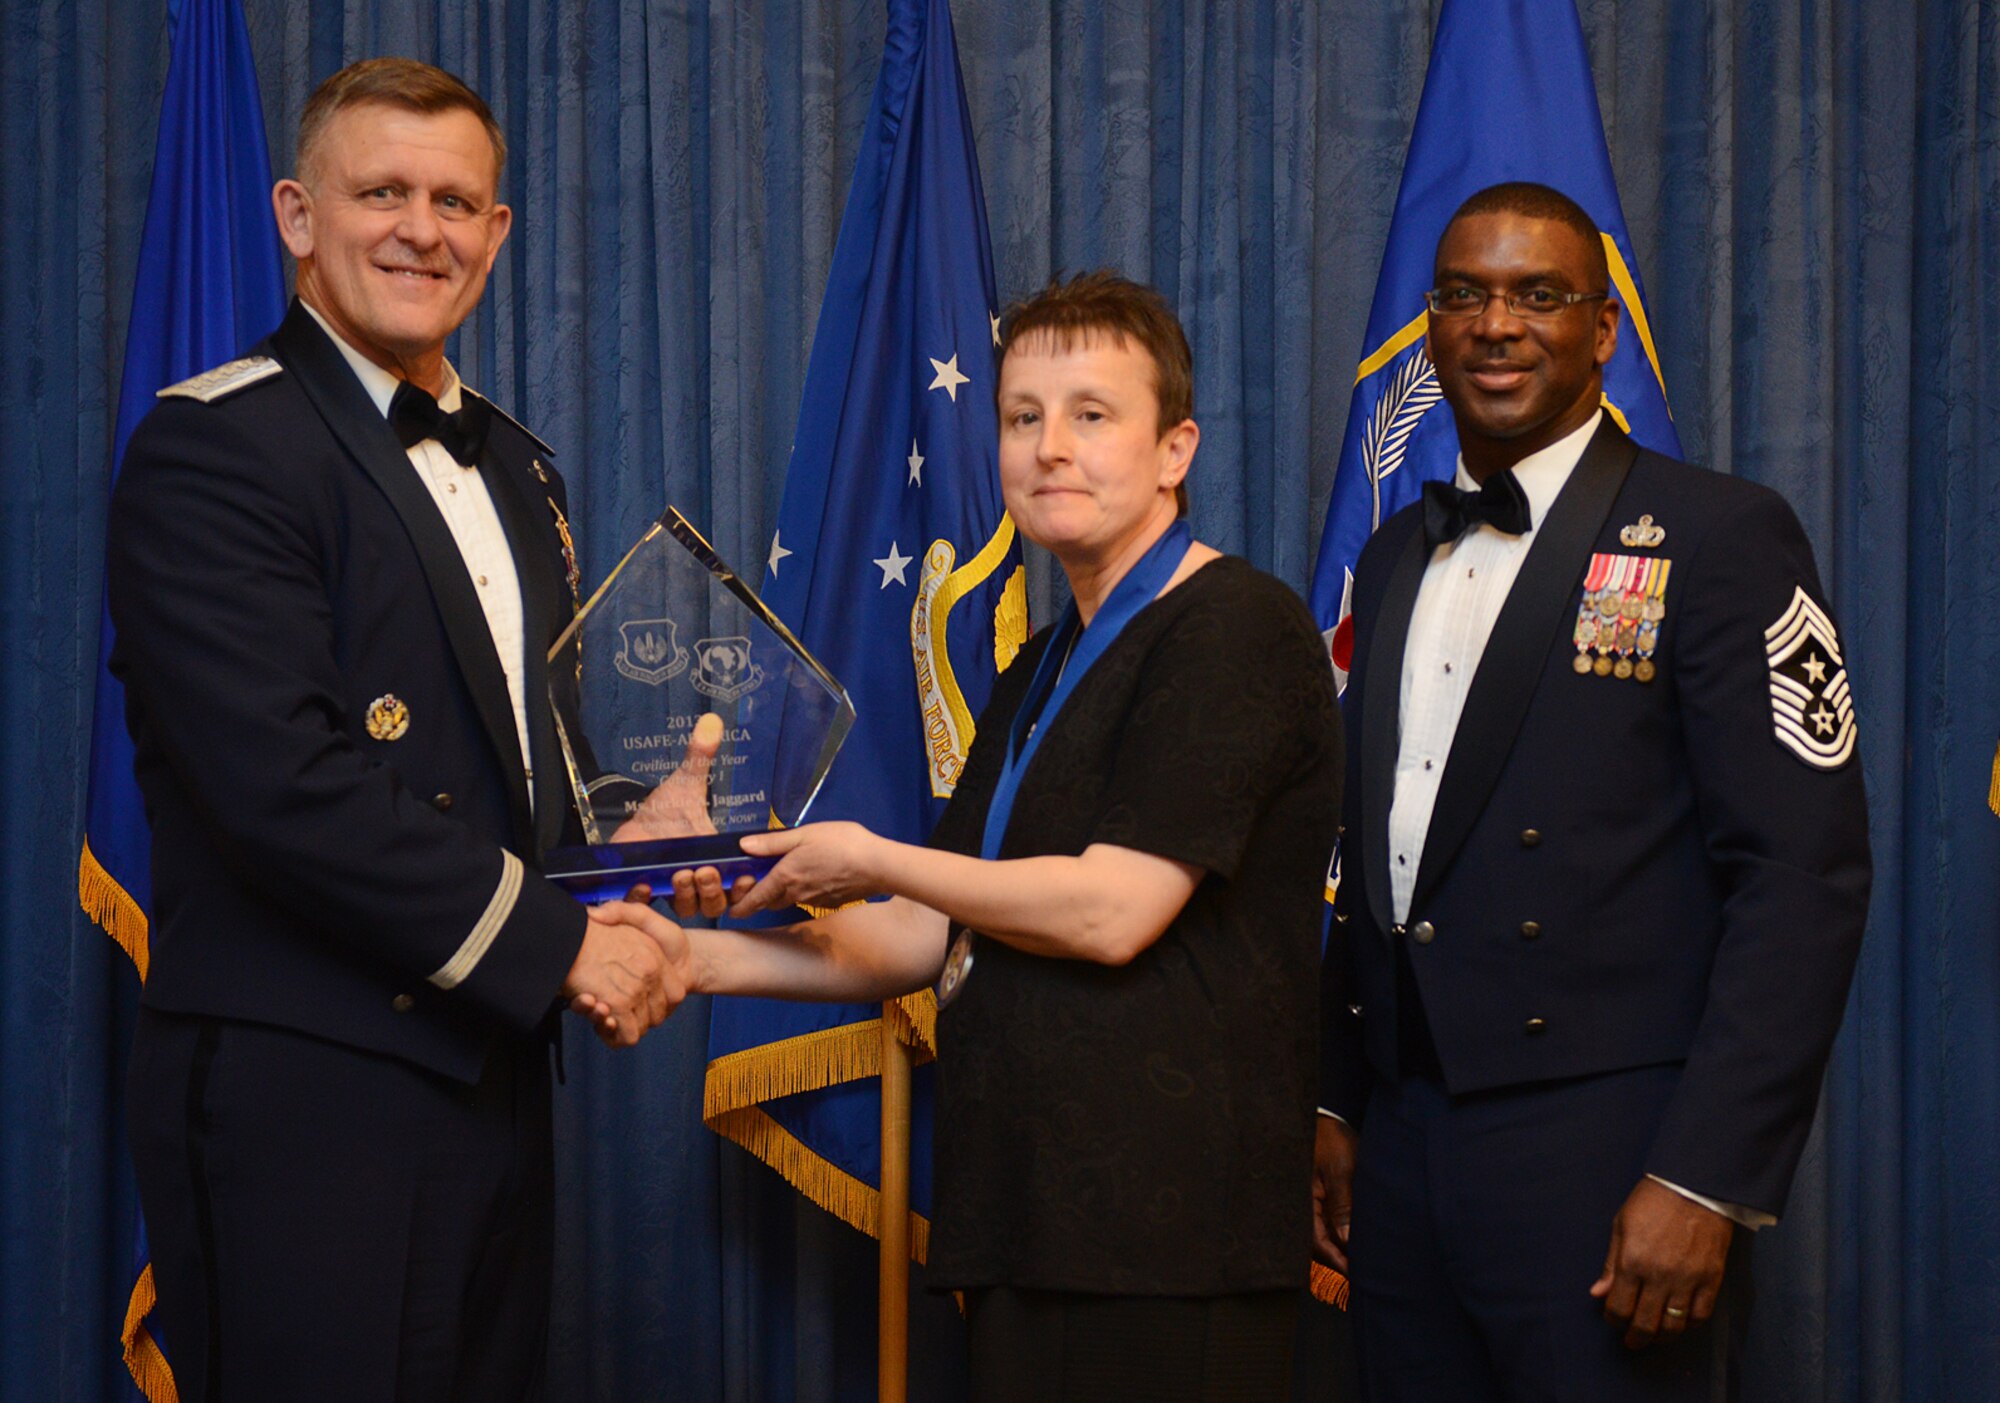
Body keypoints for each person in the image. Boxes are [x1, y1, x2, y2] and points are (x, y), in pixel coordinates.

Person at [595, 271, 1342, 1403]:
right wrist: (679, 952)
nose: (1050, 447)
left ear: (1174, 449)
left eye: (1092, 415)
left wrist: (872, 852)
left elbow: (1110, 910)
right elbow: (918, 935)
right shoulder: (1035, 668)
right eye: (1021, 417)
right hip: (1024, 1220)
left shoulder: (1234, 625)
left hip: (1168, 1239)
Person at [108, 58, 681, 1401]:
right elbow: (284, 789)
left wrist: (625, 851)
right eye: (383, 192)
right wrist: (566, 946)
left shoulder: (519, 462)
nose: (423, 228)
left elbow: (508, 766)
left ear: (497, 233)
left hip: (487, 1067)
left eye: (456, 200)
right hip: (307, 1088)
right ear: (300, 216)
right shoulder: (218, 448)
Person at [1310, 181, 1870, 1401]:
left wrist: (1704, 1176)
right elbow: (1374, 850)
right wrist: (1337, 1101)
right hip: (1402, 1150)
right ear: (1430, 326)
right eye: (1462, 295)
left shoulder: (1722, 537)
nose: (1494, 324)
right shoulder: (1393, 551)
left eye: (1535, 295)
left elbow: (1801, 878)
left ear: (1601, 329)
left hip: (1609, 1151)